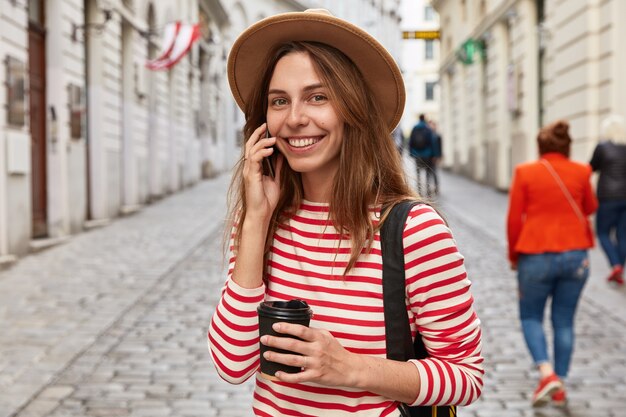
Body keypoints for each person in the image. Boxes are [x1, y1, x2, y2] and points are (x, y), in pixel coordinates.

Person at [208, 9, 483, 417]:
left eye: (318, 97)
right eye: (279, 101)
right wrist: (254, 222)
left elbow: (465, 377)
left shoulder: (413, 231)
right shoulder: (258, 226)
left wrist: (351, 369)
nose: (295, 118)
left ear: (353, 109)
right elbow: (233, 365)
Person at [507, 120, 598, 408]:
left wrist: (513, 255)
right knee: (564, 320)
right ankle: (559, 382)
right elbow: (591, 207)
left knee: (531, 316)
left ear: (540, 147)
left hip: (535, 254)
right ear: (568, 147)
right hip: (575, 256)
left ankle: (546, 373)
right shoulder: (581, 171)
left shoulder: (525, 172)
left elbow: (513, 219)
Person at [589, 114, 626, 285]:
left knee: (603, 233)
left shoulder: (602, 147)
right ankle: (619, 268)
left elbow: (591, 168)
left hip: (607, 197)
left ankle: (615, 264)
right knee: (622, 235)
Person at [408, 114, 436, 197]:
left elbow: (411, 142)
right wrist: (433, 154)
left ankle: (419, 191)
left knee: (418, 172)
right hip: (427, 154)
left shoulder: (414, 128)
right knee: (427, 172)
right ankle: (427, 191)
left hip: (417, 154)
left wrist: (411, 153)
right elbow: (432, 142)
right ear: (424, 119)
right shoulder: (427, 129)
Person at [428, 119, 443, 195]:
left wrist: (439, 156)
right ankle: (429, 188)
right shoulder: (428, 135)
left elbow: (440, 147)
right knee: (429, 173)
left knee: (434, 172)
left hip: (434, 157)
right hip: (428, 156)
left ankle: (436, 187)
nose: (431, 126)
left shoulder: (437, 136)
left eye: (432, 125)